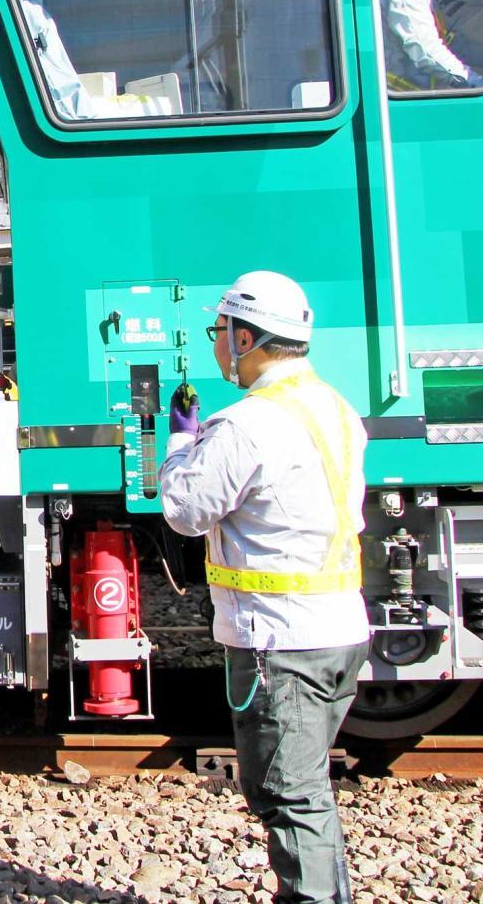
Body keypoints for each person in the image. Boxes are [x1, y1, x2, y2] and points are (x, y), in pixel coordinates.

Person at [158, 270, 368, 904]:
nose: (217, 343)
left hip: (281, 638)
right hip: (337, 630)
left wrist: (179, 441)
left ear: (245, 337)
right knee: (301, 786)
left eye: (219, 331)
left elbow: (184, 509)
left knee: (289, 794)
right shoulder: (335, 408)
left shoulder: (246, 424)